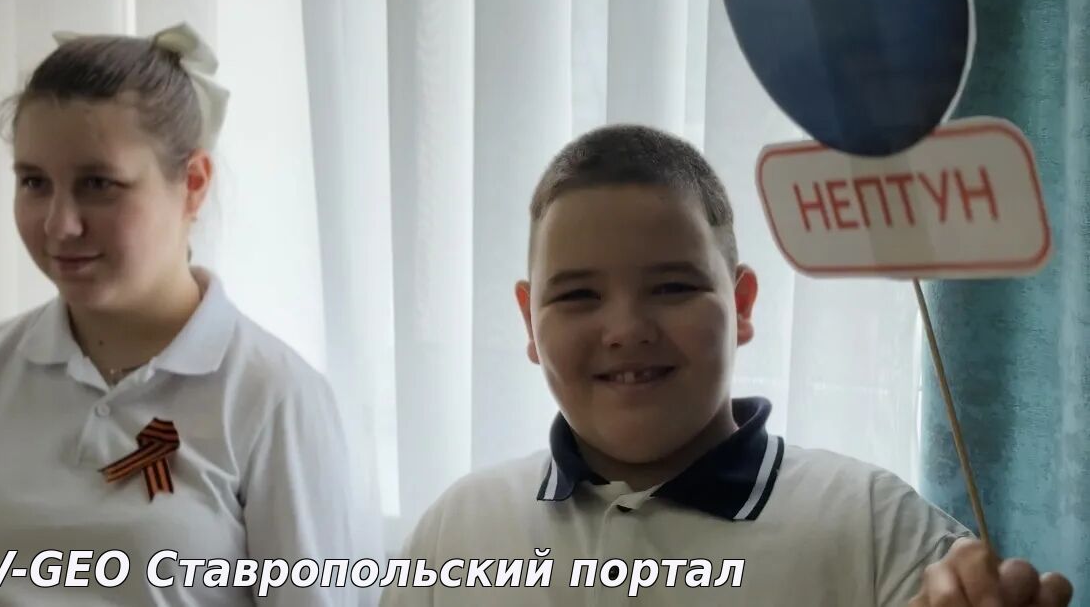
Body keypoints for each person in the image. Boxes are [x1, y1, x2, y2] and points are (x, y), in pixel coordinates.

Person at [381, 124, 1073, 606]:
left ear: (741, 305)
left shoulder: (876, 528)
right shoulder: (456, 531)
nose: (626, 330)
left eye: (673, 286)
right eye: (578, 295)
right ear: (529, 320)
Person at [0, 22, 373, 606]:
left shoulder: (272, 396)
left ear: (193, 184)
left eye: (98, 184)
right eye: (34, 182)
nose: (59, 224)